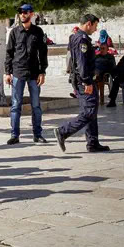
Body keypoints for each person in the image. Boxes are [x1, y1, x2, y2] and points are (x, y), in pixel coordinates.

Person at [51, 14, 110, 153]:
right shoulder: (82, 39)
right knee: (89, 111)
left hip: (82, 80)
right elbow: (81, 63)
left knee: (90, 111)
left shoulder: (76, 37)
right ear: (89, 24)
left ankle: (93, 143)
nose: (96, 29)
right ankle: (63, 131)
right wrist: (87, 81)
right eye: (95, 26)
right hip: (84, 81)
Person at [4, 4, 48, 145]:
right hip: (17, 73)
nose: (22, 14)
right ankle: (14, 135)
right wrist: (7, 73)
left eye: (25, 12)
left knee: (36, 105)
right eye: (20, 12)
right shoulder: (14, 32)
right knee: (16, 105)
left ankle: (38, 134)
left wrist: (42, 72)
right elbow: (9, 53)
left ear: (32, 14)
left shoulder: (38, 32)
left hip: (34, 74)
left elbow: (43, 53)